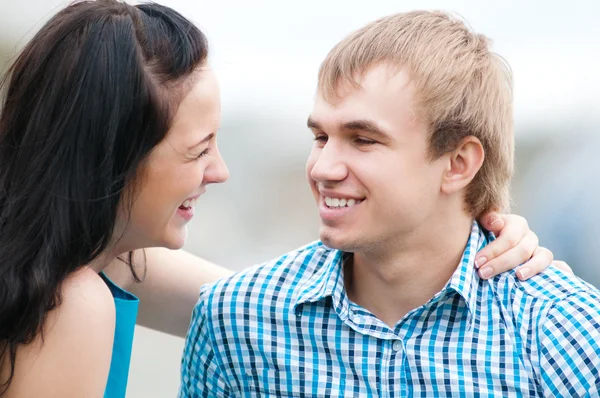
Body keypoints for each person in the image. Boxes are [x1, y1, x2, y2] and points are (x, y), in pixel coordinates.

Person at [0, 1, 564, 397]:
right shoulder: (72, 302)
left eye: (362, 139)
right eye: (198, 151)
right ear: (114, 158)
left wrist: (471, 236)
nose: (219, 171)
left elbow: (253, 305)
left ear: (460, 162)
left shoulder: (91, 266)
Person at [179, 10, 599, 397]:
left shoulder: (566, 334)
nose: (323, 168)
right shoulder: (233, 321)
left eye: (363, 140)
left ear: (457, 163)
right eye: (320, 137)